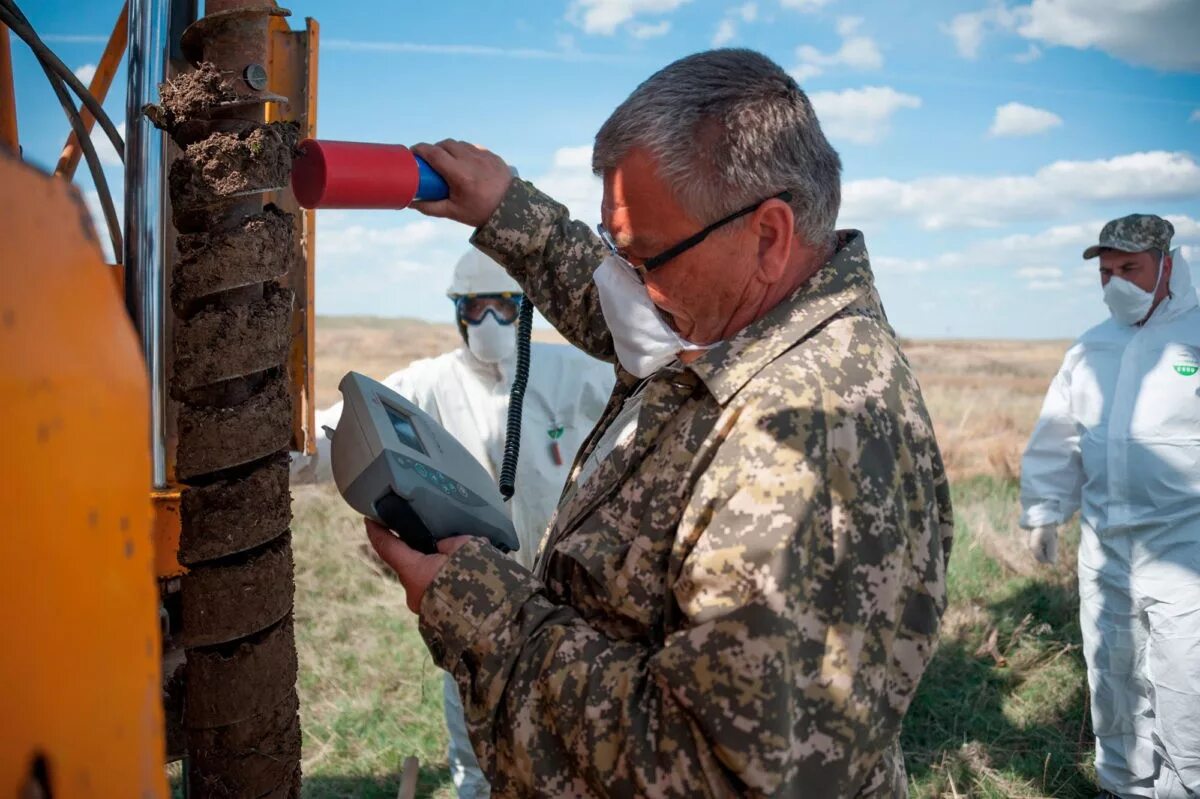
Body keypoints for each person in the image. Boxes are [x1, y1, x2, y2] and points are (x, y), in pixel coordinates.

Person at [367, 49, 954, 797]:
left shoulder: (805, 450)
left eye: (644, 257)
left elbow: (707, 772)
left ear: (769, 236)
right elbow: (621, 315)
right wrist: (507, 208)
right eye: (617, 251)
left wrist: (471, 602)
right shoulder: (732, 325)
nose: (626, 283)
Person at [292, 248, 613, 798]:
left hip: (567, 603)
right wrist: (275, 459)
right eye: (474, 306)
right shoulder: (430, 382)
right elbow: (337, 433)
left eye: (503, 306)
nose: (488, 320)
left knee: (573, 744)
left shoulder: (573, 372)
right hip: (472, 599)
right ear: (457, 312)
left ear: (526, 308)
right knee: (476, 746)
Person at [1020, 214, 1199, 799]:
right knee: (1112, 676)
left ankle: (1186, 787)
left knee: (1185, 682)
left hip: (1186, 550)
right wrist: (1046, 509)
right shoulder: (1091, 346)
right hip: (1104, 549)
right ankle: (1122, 786)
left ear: (1168, 264)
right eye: (1107, 272)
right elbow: (1059, 434)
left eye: (1130, 268)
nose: (1116, 282)